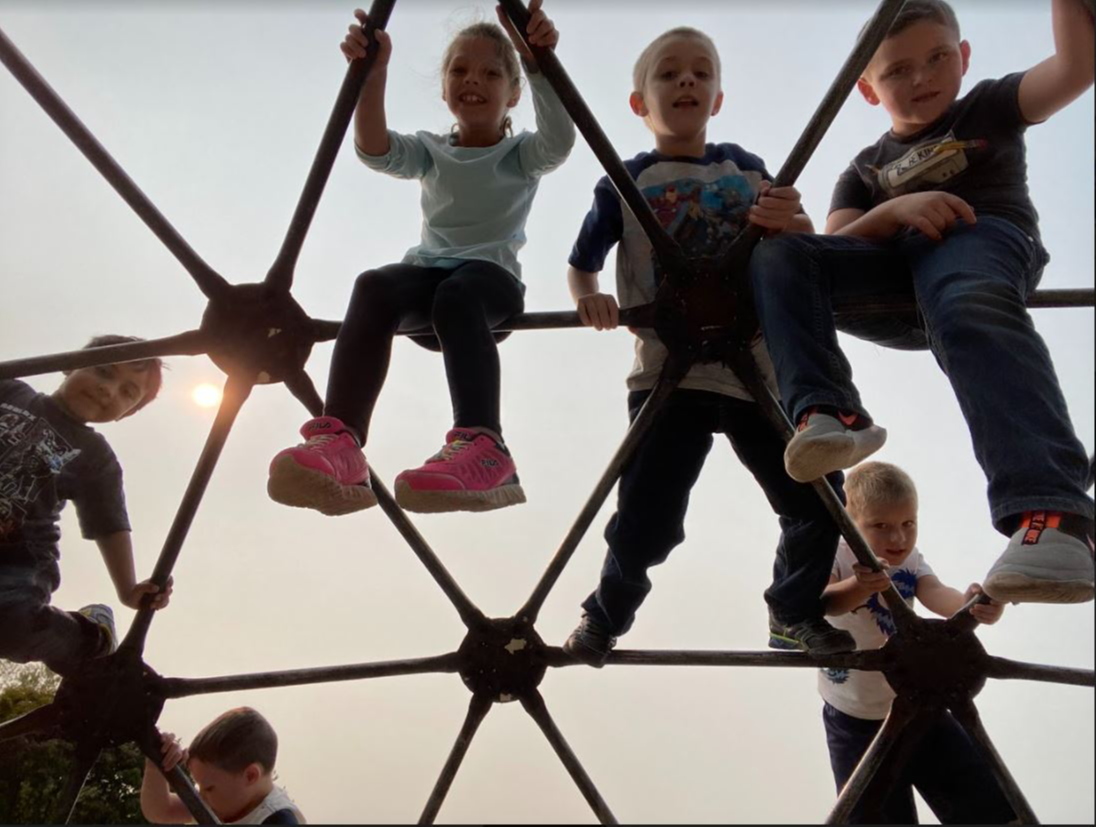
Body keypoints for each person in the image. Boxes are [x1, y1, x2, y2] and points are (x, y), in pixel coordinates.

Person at [749, 0, 1096, 604]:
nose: (922, 78)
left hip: (977, 242)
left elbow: (1075, 69)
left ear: (963, 58)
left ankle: (1054, 517)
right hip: (895, 278)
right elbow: (835, 248)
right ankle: (829, 414)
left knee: (967, 302)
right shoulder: (864, 169)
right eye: (897, 70)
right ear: (866, 87)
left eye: (937, 58)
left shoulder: (987, 107)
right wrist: (897, 209)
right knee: (781, 256)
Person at [562, 26, 854, 666]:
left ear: (718, 98)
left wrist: (792, 219)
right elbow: (582, 263)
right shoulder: (626, 180)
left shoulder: (744, 169)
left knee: (820, 498)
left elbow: (796, 239)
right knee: (647, 516)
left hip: (758, 373)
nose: (686, 81)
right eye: (669, 74)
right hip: (670, 373)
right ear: (639, 104)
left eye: (701, 73)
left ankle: (794, 608)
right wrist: (589, 296)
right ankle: (603, 617)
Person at [268, 2, 574, 516]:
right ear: (443, 86)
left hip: (488, 287)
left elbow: (559, 140)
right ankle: (341, 441)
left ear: (514, 93)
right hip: (429, 281)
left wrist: (538, 60)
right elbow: (375, 149)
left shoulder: (521, 154)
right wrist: (373, 72)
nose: (471, 80)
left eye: (492, 72)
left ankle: (485, 445)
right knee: (374, 285)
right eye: (458, 69)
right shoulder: (433, 150)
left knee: (458, 293)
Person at [819, 461, 1014, 824]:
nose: (898, 539)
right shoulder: (836, 553)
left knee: (987, 805)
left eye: (908, 524)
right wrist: (859, 586)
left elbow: (937, 594)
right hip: (855, 719)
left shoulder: (911, 559)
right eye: (881, 526)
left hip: (919, 708)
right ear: (849, 521)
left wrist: (973, 606)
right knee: (873, 815)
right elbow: (823, 602)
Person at [0, 335, 171, 675]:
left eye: (127, 393)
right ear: (67, 362)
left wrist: (128, 589)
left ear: (129, 413)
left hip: (17, 558)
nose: (109, 390)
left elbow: (110, 524)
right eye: (104, 372)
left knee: (12, 626)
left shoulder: (95, 456)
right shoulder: (9, 389)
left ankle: (89, 635)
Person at [142, 707, 305, 825]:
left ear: (250, 776)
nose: (202, 796)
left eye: (209, 788)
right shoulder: (222, 802)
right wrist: (155, 765)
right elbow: (161, 810)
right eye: (199, 786)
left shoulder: (278, 820)